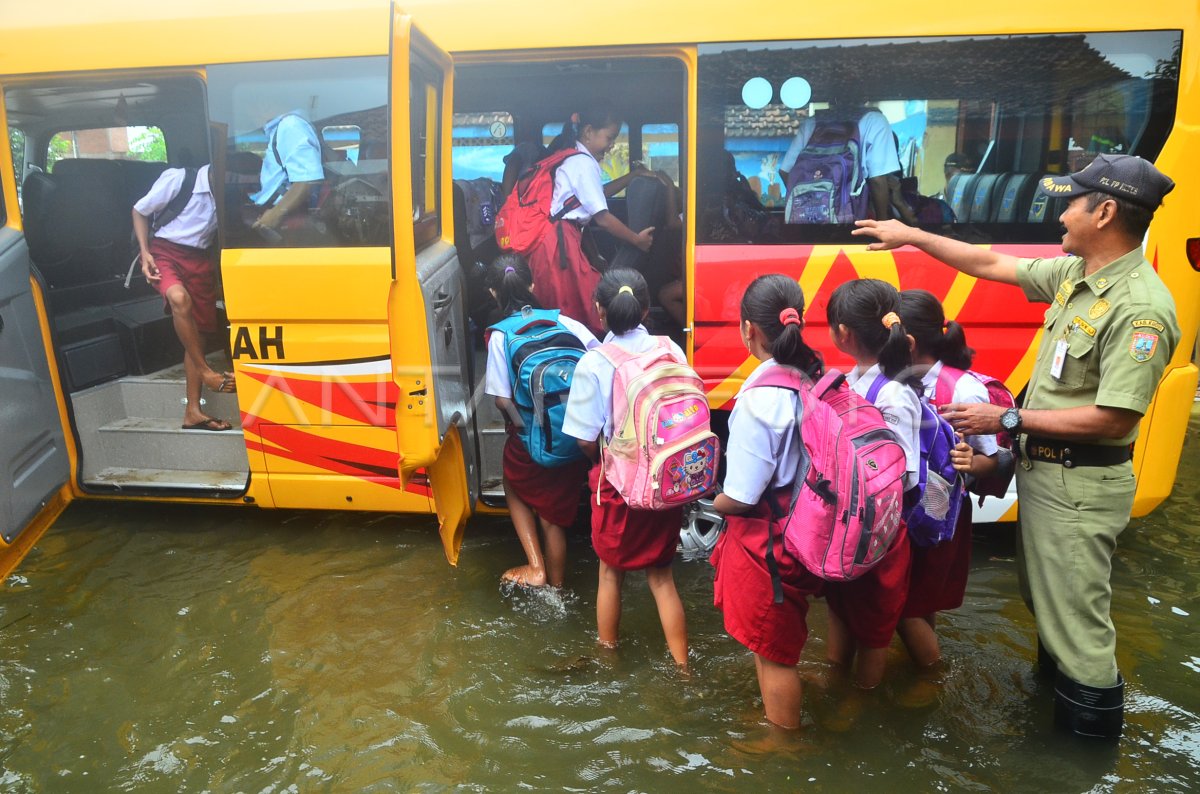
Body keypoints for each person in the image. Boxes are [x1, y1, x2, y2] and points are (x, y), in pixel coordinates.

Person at [852, 153, 1179, 738]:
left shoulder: (1141, 309)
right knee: (1051, 611)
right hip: (1046, 476)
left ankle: (1081, 759)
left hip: (1079, 487)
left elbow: (1114, 418)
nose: (1061, 213)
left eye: (1072, 202)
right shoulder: (1077, 276)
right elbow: (986, 261)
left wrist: (1006, 417)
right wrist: (910, 236)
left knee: (1078, 630)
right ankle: (1047, 724)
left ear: (1104, 212)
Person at [711, 274, 826, 731]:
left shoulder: (760, 400)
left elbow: (741, 496)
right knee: (770, 644)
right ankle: (775, 718)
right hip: (805, 529)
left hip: (771, 546)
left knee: (774, 652)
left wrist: (705, 498)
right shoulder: (810, 377)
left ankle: (783, 743)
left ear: (748, 330)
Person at [562, 269, 689, 668]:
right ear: (647, 307)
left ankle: (608, 657)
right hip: (669, 479)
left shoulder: (595, 362)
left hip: (619, 485)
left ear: (599, 311)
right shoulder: (671, 348)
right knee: (662, 577)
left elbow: (584, 438)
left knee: (609, 573)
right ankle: (683, 665)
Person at [896, 289, 1001, 669]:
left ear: (907, 342)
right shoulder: (895, 380)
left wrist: (971, 461)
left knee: (904, 604)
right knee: (920, 601)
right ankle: (922, 665)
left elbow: (992, 460)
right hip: (905, 513)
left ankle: (931, 677)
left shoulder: (963, 389)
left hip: (940, 514)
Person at [824, 279, 918, 690]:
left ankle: (861, 700)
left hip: (880, 531)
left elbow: (906, 475)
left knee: (877, 627)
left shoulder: (893, 394)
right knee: (841, 605)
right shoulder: (849, 381)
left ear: (843, 333)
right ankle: (836, 675)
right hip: (846, 522)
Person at [483, 254, 598, 588]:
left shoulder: (501, 337)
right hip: (577, 438)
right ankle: (558, 589)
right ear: (533, 285)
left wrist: (522, 426)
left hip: (535, 441)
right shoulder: (568, 324)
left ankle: (536, 566)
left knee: (511, 478)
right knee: (553, 517)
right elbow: (601, 365)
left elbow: (502, 399)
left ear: (493, 292)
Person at [532, 102, 655, 335]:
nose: (612, 145)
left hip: (559, 239)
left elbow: (595, 197)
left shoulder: (577, 158)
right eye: (610, 137)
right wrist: (636, 240)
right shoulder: (583, 163)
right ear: (588, 132)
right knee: (585, 305)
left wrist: (632, 176)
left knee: (570, 307)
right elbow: (603, 218)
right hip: (559, 243)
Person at [132, 164, 235, 432]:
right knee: (179, 299)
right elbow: (140, 211)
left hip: (201, 260)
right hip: (166, 252)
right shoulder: (179, 179)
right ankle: (204, 370)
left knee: (197, 335)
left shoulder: (229, 192)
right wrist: (145, 253)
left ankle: (193, 412)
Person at [779, 104, 913, 223]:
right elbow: (877, 180)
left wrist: (810, 203)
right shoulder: (875, 121)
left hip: (804, 231)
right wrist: (883, 226)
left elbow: (785, 171)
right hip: (849, 229)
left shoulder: (812, 123)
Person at [248, 110, 325, 243]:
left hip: (286, 225)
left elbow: (307, 180)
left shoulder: (290, 125)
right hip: (276, 220)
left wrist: (276, 214)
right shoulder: (281, 128)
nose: (250, 114)